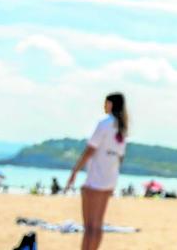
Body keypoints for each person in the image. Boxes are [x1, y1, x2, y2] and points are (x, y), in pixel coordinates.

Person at [66, 92, 128, 250]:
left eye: (106, 103)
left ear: (111, 104)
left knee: (89, 226)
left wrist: (75, 171)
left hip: (95, 179)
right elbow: (120, 158)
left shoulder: (105, 123)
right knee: (97, 225)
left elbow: (90, 150)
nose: (104, 106)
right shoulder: (122, 129)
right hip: (110, 179)